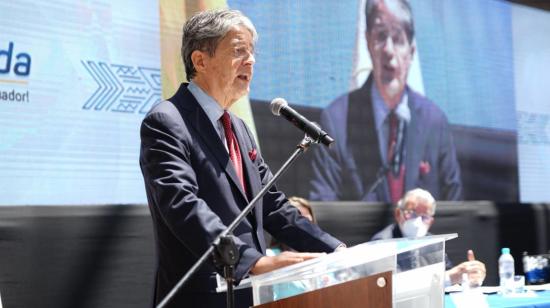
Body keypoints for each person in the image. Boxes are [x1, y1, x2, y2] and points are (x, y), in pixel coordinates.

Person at [139, 9, 345, 308]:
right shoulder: (167, 121)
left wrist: (335, 249)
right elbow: (181, 205)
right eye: (238, 51)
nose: (251, 61)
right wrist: (251, 261)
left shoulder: (238, 127)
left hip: (251, 294)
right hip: (201, 296)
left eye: (251, 52)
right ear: (200, 61)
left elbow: (272, 204)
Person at [309, 0, 462, 203]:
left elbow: (455, 206)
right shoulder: (336, 120)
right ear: (368, 43)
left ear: (411, 51)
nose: (389, 50)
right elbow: (322, 205)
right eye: (381, 36)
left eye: (398, 39)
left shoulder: (435, 122)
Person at [371, 188, 486, 287]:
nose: (417, 222)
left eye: (425, 217)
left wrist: (468, 276)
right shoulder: (381, 243)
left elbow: (449, 278)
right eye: (411, 213)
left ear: (431, 222)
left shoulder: (434, 244)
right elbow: (389, 285)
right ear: (398, 214)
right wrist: (449, 277)